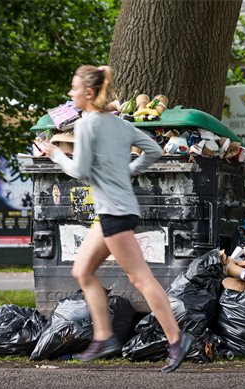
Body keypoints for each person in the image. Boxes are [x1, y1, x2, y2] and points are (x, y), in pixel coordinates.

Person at [40, 65, 193, 373]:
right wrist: (129, 170)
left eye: (73, 89)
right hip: (113, 210)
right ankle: (104, 336)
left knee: (142, 279)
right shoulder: (119, 124)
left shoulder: (87, 126)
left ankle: (176, 339)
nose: (70, 94)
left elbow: (80, 171)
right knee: (83, 270)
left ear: (88, 92)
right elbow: (152, 149)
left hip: (115, 213)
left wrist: (54, 153)